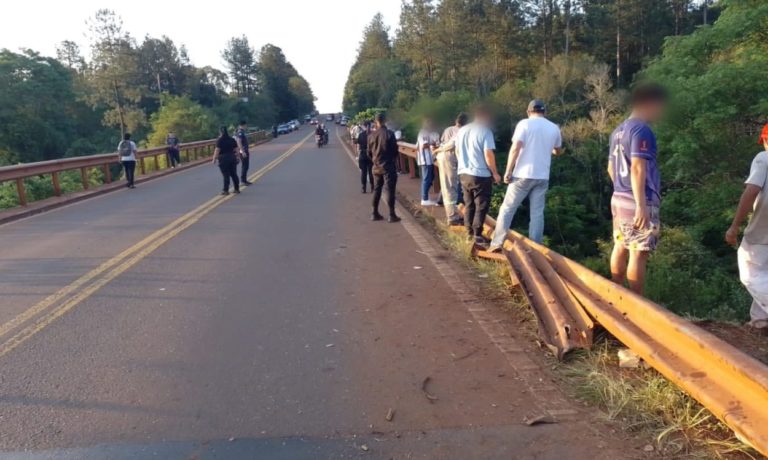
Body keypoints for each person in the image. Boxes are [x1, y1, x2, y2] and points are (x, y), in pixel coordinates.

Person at [607, 83, 668, 295]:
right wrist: (641, 204)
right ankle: (637, 302)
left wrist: (621, 190)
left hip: (619, 196)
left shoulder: (617, 131)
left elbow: (610, 168)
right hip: (638, 198)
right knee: (638, 252)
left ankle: (615, 294)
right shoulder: (642, 130)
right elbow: (638, 168)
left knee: (620, 245)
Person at [489, 100, 563, 251]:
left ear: (528, 112)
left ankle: (497, 244)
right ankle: (535, 248)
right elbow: (557, 150)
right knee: (537, 213)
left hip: (522, 174)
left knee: (508, 209)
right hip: (542, 176)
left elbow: (516, 147)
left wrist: (508, 170)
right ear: (545, 112)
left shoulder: (524, 124)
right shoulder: (554, 127)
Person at [725, 123, 768, 331]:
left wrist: (734, 226)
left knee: (749, 271)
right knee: (764, 273)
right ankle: (760, 323)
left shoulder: (763, 158)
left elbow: (751, 191)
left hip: (762, 231)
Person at [456, 105, 502, 246]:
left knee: (469, 203)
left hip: (464, 172)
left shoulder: (462, 130)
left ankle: (469, 233)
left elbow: (457, 151)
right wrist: (495, 173)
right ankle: (477, 234)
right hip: (480, 174)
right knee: (481, 205)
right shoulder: (485, 131)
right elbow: (488, 154)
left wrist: (462, 165)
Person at [433, 113, 469, 225]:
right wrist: (438, 150)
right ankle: (452, 217)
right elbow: (451, 144)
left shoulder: (449, 129)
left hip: (446, 158)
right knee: (450, 188)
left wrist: (438, 150)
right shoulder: (462, 131)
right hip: (449, 158)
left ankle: (453, 214)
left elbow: (443, 142)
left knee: (448, 187)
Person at [368, 112, 401, 223]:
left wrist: (375, 160)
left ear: (375, 122)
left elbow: (369, 153)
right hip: (388, 165)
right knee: (390, 190)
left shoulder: (371, 136)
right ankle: (391, 214)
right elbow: (395, 151)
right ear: (385, 120)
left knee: (377, 189)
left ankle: (374, 213)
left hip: (376, 166)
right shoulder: (390, 134)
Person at [416, 118, 440, 206]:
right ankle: (424, 198)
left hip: (429, 159)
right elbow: (424, 145)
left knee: (430, 178)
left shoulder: (427, 133)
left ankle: (425, 196)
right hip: (425, 159)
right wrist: (432, 144)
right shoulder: (423, 133)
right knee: (427, 179)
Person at [212, 126, 241, 196]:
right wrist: (238, 157)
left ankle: (226, 190)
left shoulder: (220, 140)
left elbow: (217, 150)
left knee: (226, 175)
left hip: (223, 159)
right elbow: (237, 149)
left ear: (220, 132)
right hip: (232, 157)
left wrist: (214, 159)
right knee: (234, 174)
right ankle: (237, 189)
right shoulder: (231, 139)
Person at [357, 122, 374, 193]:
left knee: (363, 172)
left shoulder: (361, 135)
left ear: (364, 126)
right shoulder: (373, 134)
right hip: (371, 156)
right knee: (371, 172)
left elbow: (358, 147)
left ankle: (364, 188)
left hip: (363, 155)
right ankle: (373, 187)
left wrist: (358, 156)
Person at [235, 120, 252, 185]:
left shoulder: (241, 132)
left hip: (244, 150)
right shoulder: (240, 132)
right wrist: (243, 151)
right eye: (246, 125)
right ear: (243, 125)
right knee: (245, 166)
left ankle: (244, 180)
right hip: (243, 151)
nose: (246, 126)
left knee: (246, 166)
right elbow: (239, 142)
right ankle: (243, 180)